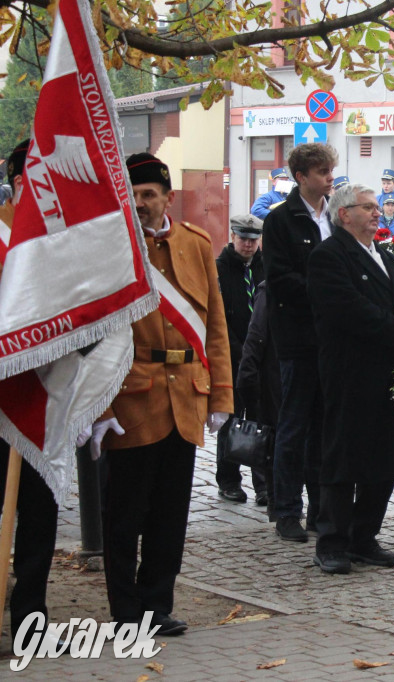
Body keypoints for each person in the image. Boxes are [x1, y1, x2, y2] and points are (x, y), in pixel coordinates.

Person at [96, 152, 233, 636]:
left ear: (167, 198)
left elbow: (215, 324)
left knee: (170, 513)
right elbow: (97, 334)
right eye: (132, 196)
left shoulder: (196, 244)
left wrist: (220, 396)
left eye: (149, 195)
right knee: (124, 516)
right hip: (133, 398)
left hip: (186, 398)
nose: (140, 204)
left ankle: (158, 605)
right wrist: (101, 407)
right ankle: (125, 611)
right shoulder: (112, 250)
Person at [306, 183, 394, 574]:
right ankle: (332, 542)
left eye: (377, 207)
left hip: (392, 374)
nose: (377, 213)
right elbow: (348, 309)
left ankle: (364, 537)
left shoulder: (387, 257)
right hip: (351, 373)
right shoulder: (328, 257)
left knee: (386, 458)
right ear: (344, 214)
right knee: (344, 458)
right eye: (368, 207)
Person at [0, 139, 60, 641]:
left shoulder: (58, 247)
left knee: (40, 513)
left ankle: (31, 616)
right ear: (21, 182)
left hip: (43, 401)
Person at [262, 143, 336, 542]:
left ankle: (321, 508)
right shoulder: (281, 221)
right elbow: (279, 279)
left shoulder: (334, 217)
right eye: (321, 171)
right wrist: (323, 290)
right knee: (293, 425)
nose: (328, 177)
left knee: (324, 427)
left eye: (330, 170)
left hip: (330, 338)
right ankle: (287, 509)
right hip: (296, 338)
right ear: (301, 177)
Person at [214, 214, 268, 505]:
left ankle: (264, 483)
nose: (248, 245)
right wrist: (239, 350)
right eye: (243, 239)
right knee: (230, 420)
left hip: (261, 358)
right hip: (232, 356)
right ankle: (229, 479)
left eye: (253, 240)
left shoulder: (265, 266)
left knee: (263, 420)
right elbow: (217, 318)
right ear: (233, 237)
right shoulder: (219, 269)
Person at [236, 280, 280, 517]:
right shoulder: (267, 290)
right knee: (273, 441)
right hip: (271, 378)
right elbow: (256, 338)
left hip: (285, 376)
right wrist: (247, 378)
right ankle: (276, 501)